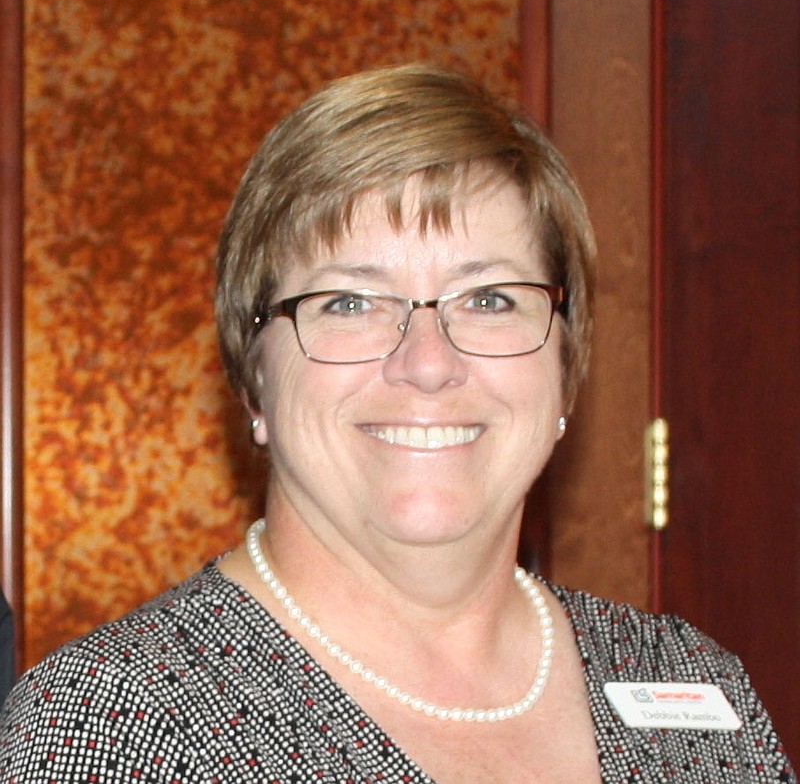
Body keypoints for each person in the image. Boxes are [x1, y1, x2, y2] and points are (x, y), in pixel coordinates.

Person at [0, 65, 795, 783]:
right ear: (254, 379)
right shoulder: (116, 726)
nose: (426, 362)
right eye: (349, 301)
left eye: (488, 299)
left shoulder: (693, 689)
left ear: (566, 365)